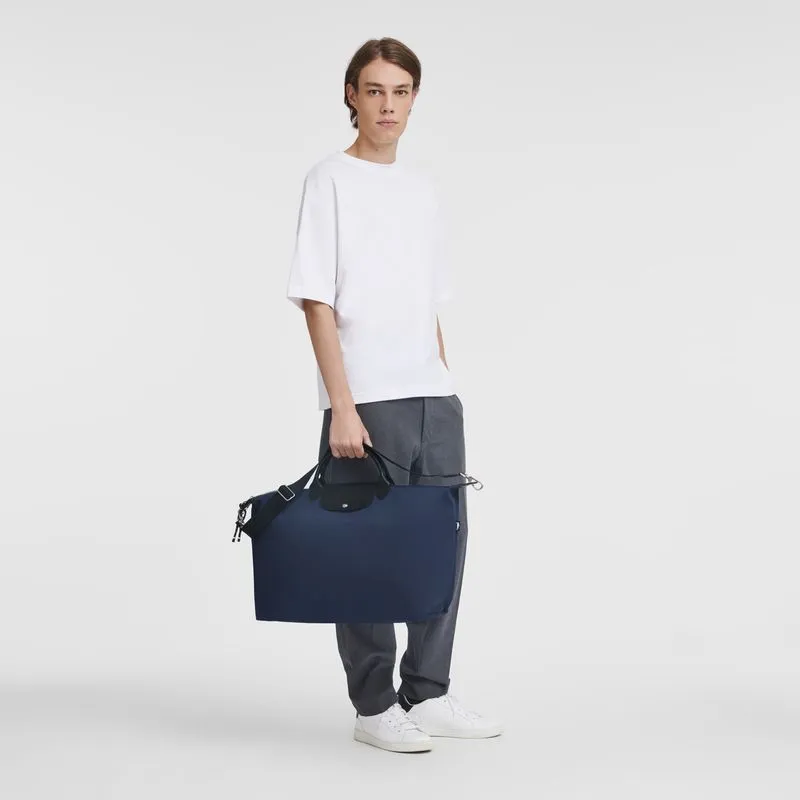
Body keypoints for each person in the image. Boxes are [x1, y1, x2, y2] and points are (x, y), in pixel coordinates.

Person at [285, 37, 503, 753]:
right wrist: (341, 405)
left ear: (414, 99)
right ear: (351, 95)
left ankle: (429, 692)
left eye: (400, 91)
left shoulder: (422, 189)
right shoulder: (329, 180)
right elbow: (316, 300)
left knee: (441, 544)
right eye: (374, 90)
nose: (387, 105)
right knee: (366, 550)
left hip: (432, 395)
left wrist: (444, 378)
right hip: (367, 399)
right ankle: (374, 706)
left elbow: (426, 299)